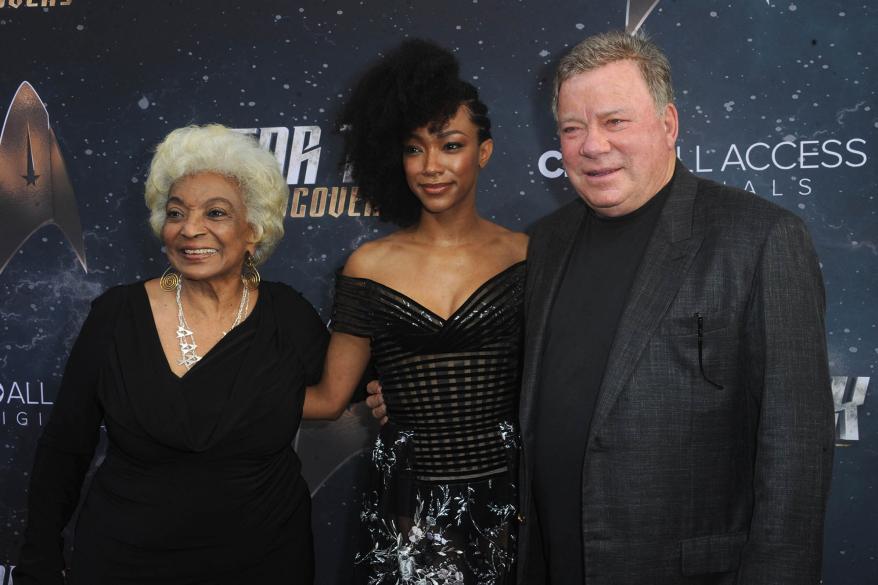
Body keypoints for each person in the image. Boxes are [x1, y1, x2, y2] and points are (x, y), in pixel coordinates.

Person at [370, 32, 835, 584]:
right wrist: (414, 392)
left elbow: (796, 449)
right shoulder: (545, 243)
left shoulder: (759, 239)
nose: (592, 145)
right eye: (572, 128)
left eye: (615, 121)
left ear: (668, 124)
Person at [15, 124, 328, 584]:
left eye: (216, 213)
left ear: (254, 231)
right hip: (125, 562)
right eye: (176, 212)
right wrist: (40, 557)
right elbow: (65, 446)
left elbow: (358, 384)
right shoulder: (117, 315)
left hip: (264, 560)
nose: (190, 228)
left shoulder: (288, 315)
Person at [303, 40, 527, 584]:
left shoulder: (528, 256)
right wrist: (211, 392)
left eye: (450, 145)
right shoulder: (369, 265)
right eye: (413, 149)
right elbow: (331, 398)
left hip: (511, 496)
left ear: (484, 151)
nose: (430, 167)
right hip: (407, 502)